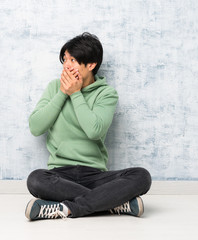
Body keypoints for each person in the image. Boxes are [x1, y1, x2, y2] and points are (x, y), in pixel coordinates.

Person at [25, 32, 152, 220]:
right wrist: (62, 93)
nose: (66, 65)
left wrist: (75, 94)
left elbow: (94, 131)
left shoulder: (106, 94)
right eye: (65, 59)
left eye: (73, 60)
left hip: (96, 176)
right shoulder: (54, 87)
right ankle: (112, 203)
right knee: (35, 179)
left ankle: (66, 209)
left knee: (141, 176)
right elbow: (36, 127)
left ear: (91, 65)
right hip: (60, 176)